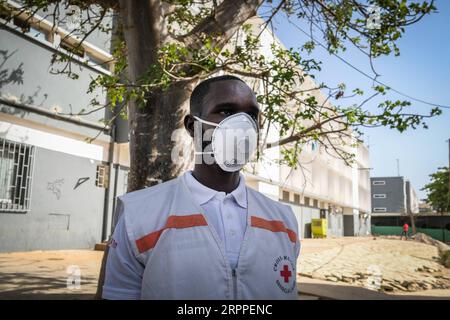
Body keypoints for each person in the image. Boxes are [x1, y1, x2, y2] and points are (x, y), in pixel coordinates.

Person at [102, 75, 301, 300]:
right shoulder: (138, 216)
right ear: (192, 126)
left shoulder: (284, 221)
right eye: (225, 111)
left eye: (251, 115)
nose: (243, 125)